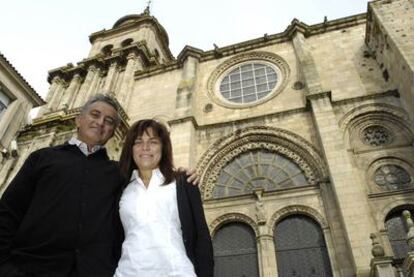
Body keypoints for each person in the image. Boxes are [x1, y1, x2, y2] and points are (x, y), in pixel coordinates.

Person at [0, 94, 199, 277]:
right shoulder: (42, 158)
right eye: (94, 115)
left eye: (109, 121)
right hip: (30, 269)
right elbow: (8, 211)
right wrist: (5, 266)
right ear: (78, 120)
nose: (100, 123)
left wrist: (180, 175)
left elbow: (150, 179)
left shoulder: (119, 174)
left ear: (113, 132)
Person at [114, 119, 214, 277]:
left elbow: (201, 236)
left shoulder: (184, 182)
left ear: (163, 148)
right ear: (131, 149)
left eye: (153, 142)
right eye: (138, 142)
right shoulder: (120, 189)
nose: (145, 148)